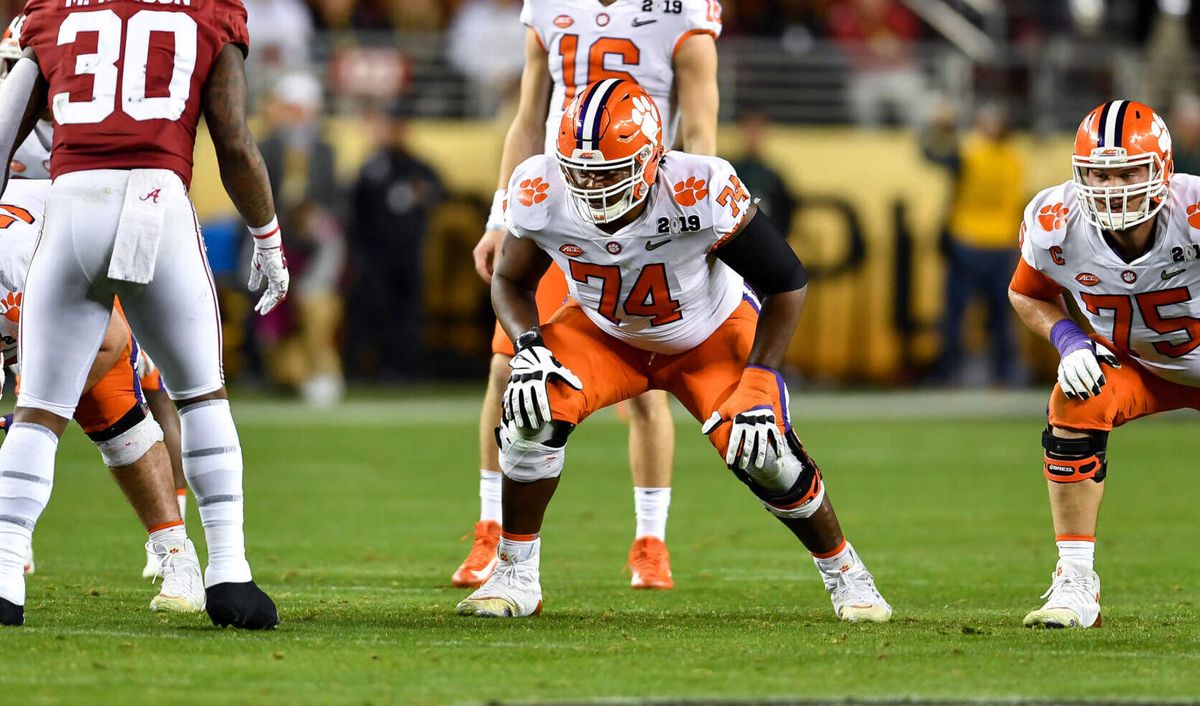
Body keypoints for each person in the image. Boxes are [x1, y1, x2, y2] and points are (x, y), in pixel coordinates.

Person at [456, 79, 892, 622]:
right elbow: (510, 281)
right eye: (580, 172)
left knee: (765, 453)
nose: (592, 188)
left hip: (706, 336)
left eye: (609, 172)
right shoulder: (540, 185)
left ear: (651, 158)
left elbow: (787, 280)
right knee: (529, 410)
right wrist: (527, 346)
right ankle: (515, 575)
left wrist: (760, 376)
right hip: (603, 334)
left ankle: (846, 573)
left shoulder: (699, 186)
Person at [0, 0, 288, 629]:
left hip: (70, 203)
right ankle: (231, 574)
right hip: (157, 201)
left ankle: (3, 573)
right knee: (202, 396)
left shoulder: (51, 12)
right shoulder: (211, 12)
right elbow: (233, 139)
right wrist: (266, 236)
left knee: (39, 408)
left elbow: (1, 133)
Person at [456, 0, 722, 592]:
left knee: (645, 384)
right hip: (558, 207)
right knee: (509, 369)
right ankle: (492, 529)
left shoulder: (680, 10)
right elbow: (529, 119)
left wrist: (693, 219)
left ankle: (650, 543)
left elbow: (700, 125)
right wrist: (502, 214)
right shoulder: (550, 6)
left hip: (639, 206)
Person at [1009, 100, 1200, 628]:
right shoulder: (1056, 219)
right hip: (1143, 366)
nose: (1114, 186)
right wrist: (1070, 339)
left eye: (1129, 171)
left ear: (1162, 167)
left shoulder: (1195, 208)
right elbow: (1026, 294)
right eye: (1099, 173)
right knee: (1074, 395)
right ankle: (1076, 582)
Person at [931, 103, 1026, 386]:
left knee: (956, 314)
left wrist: (939, 129)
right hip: (1000, 243)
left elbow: (931, 154)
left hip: (968, 241)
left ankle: (949, 373)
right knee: (1000, 316)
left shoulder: (970, 153)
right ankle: (1004, 374)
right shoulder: (1015, 158)